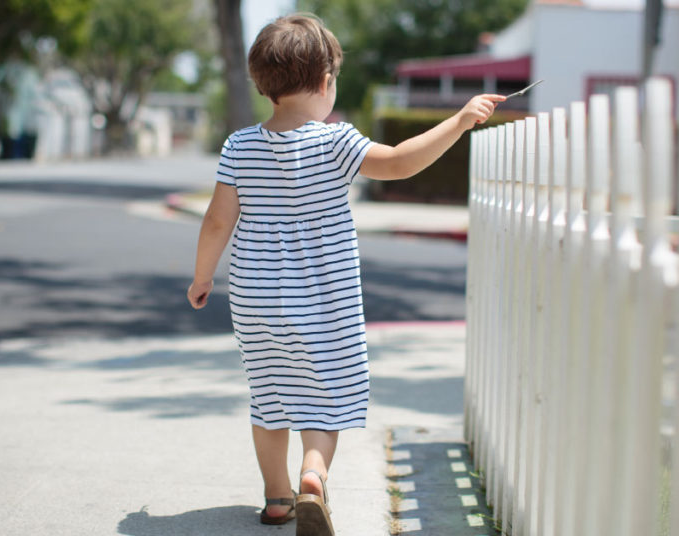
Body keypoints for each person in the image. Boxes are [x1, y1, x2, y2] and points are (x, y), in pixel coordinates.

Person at [186, 13, 504, 536]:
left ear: (265, 86)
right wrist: (460, 120)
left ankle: (275, 498)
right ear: (325, 82)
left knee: (269, 396)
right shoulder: (336, 142)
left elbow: (219, 219)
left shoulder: (239, 146)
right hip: (322, 301)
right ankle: (313, 476)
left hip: (255, 299)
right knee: (326, 393)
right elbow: (401, 162)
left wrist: (202, 277)